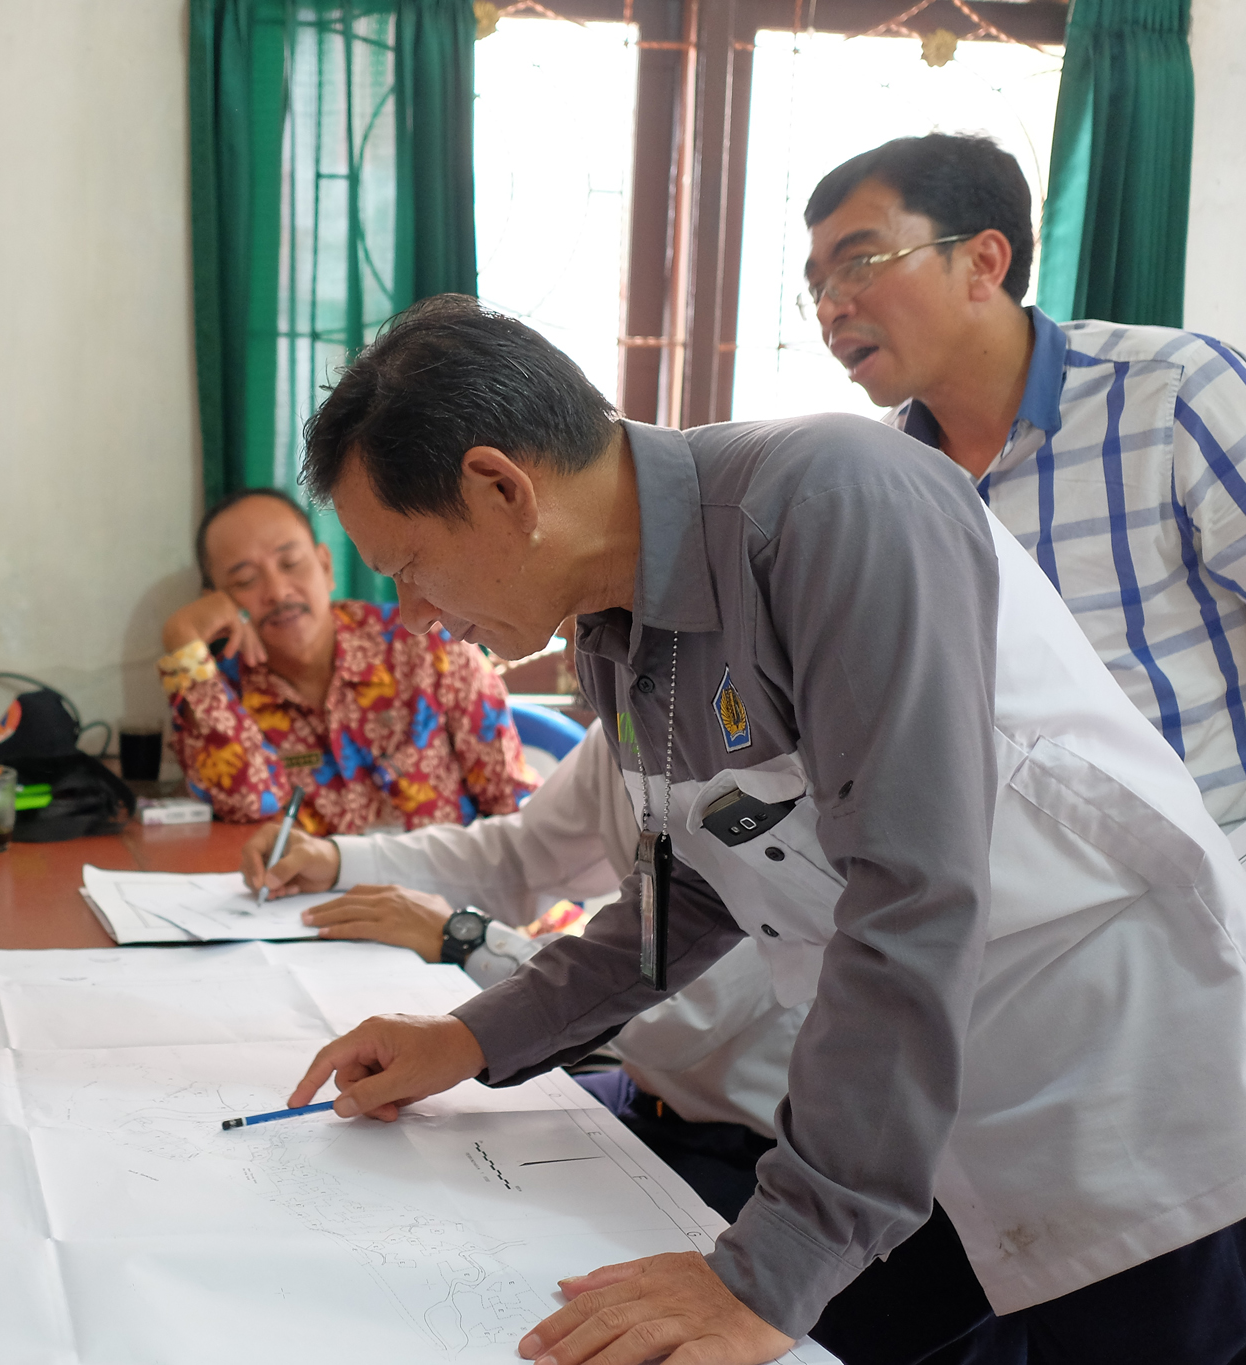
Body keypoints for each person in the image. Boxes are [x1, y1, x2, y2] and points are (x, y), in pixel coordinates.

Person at [283, 295, 1246, 1364]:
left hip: (1123, 1086)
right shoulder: (614, 635)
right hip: (920, 1106)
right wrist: (467, 1039)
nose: (414, 614)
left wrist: (764, 1271)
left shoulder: (834, 502)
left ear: (499, 487)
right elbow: (685, 899)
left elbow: (911, 892)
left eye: (409, 566)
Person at [805, 133, 1246, 840]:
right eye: (818, 287)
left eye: (860, 263)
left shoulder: (1174, 394)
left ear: (983, 260)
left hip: (1216, 893)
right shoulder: (884, 482)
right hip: (1013, 913)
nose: (830, 309)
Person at [246, 722, 803, 1221]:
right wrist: (342, 861)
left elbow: (676, 1019)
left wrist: (466, 941)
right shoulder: (632, 714)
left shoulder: (769, 753)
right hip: (643, 1098)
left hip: (755, 1152)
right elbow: (523, 853)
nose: (421, 617)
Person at [160, 487, 536, 834]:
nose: (277, 591)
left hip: (455, 896)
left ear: (326, 567)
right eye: (245, 581)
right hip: (312, 905)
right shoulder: (216, 694)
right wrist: (182, 639)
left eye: (290, 563)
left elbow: (514, 808)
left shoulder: (426, 648)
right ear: (216, 603)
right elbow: (250, 804)